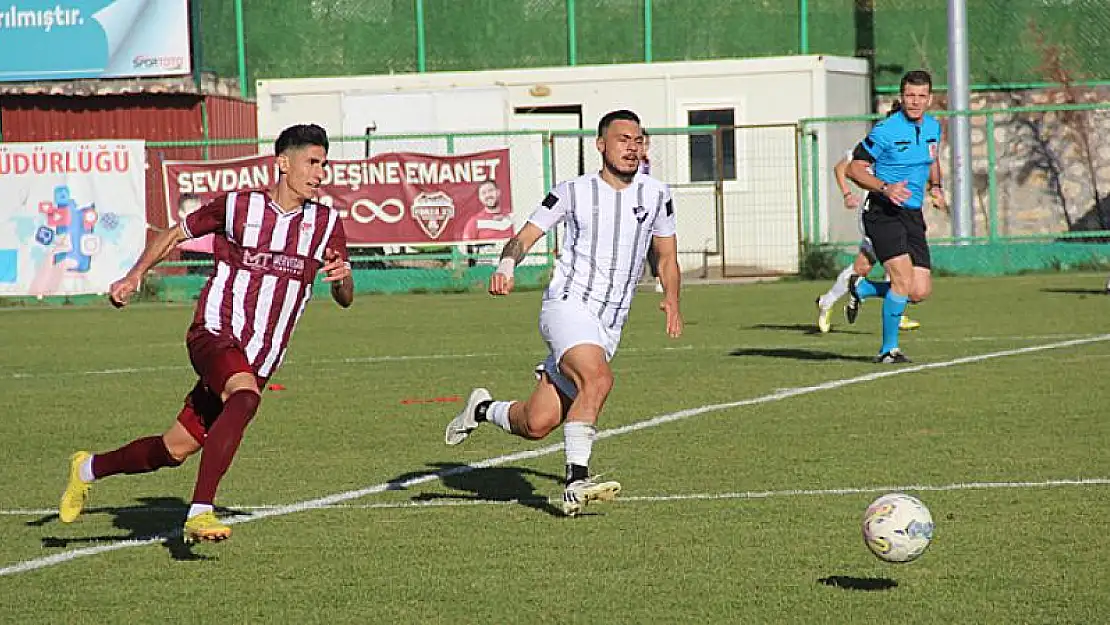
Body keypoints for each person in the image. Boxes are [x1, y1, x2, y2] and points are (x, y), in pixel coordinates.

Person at [58, 124, 354, 543]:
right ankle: (200, 511)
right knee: (245, 397)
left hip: (260, 357)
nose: (320, 173)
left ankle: (87, 468)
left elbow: (345, 297)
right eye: (312, 162)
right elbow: (173, 234)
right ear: (283, 163)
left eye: (324, 164)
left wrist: (343, 278)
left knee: (174, 448)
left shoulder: (325, 222)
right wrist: (134, 275)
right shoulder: (237, 207)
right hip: (214, 331)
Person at [444, 109, 683, 516]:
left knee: (536, 424)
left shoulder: (657, 194)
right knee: (598, 379)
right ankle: (576, 481)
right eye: (622, 139)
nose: (631, 147)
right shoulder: (573, 191)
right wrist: (505, 267)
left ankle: (481, 409)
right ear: (601, 145)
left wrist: (673, 297)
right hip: (567, 305)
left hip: (609, 324)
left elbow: (666, 255)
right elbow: (524, 237)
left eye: (637, 140)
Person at [845, 70, 945, 363]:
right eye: (910, 96)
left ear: (929, 99)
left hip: (912, 214)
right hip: (882, 212)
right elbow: (855, 168)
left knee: (919, 291)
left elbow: (932, 158)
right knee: (901, 282)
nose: (915, 102)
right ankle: (888, 350)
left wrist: (936, 187)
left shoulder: (933, 128)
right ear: (901, 97)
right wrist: (885, 188)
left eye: (921, 96)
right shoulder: (885, 130)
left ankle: (863, 287)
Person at [815, 107, 920, 334]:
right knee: (897, 263)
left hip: (897, 214)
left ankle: (828, 300)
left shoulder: (909, 146)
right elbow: (841, 167)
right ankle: (894, 308)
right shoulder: (875, 144)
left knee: (862, 267)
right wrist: (847, 194)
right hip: (875, 215)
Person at [639, 131, 664, 293]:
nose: (645, 148)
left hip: (644, 209)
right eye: (642, 144)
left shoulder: (646, 162)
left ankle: (658, 278)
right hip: (631, 210)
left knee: (651, 245)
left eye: (647, 144)